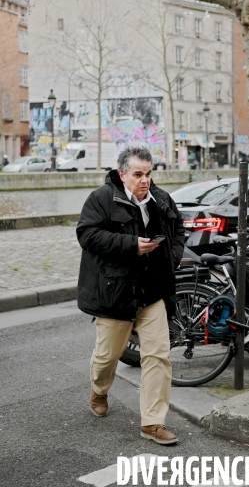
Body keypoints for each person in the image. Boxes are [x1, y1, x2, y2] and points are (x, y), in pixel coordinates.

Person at [76, 146, 185, 445]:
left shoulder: (161, 199)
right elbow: (86, 234)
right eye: (138, 174)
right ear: (122, 174)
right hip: (116, 292)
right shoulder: (101, 198)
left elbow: (178, 229)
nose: (145, 180)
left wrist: (171, 259)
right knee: (107, 356)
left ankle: (152, 423)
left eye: (148, 173)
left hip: (152, 292)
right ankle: (99, 389)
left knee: (158, 356)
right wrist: (130, 245)